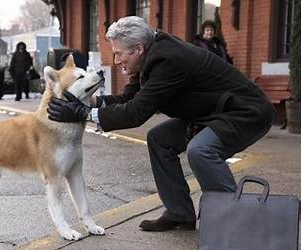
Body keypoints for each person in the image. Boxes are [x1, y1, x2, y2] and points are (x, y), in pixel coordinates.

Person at [47, 16, 274, 231]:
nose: (116, 62)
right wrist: (90, 101)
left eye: (118, 54)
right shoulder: (149, 55)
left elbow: (136, 113)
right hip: (213, 112)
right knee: (160, 139)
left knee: (201, 150)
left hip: (245, 112)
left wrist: (83, 113)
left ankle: (236, 219)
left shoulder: (168, 60)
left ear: (138, 49)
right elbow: (130, 99)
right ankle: (179, 213)